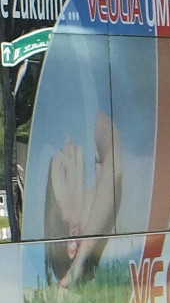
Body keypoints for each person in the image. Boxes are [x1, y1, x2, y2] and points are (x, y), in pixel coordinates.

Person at [44, 111, 123, 289]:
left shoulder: (98, 157)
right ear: (72, 243)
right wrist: (80, 259)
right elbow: (115, 169)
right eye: (64, 171)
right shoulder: (107, 162)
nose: (68, 145)